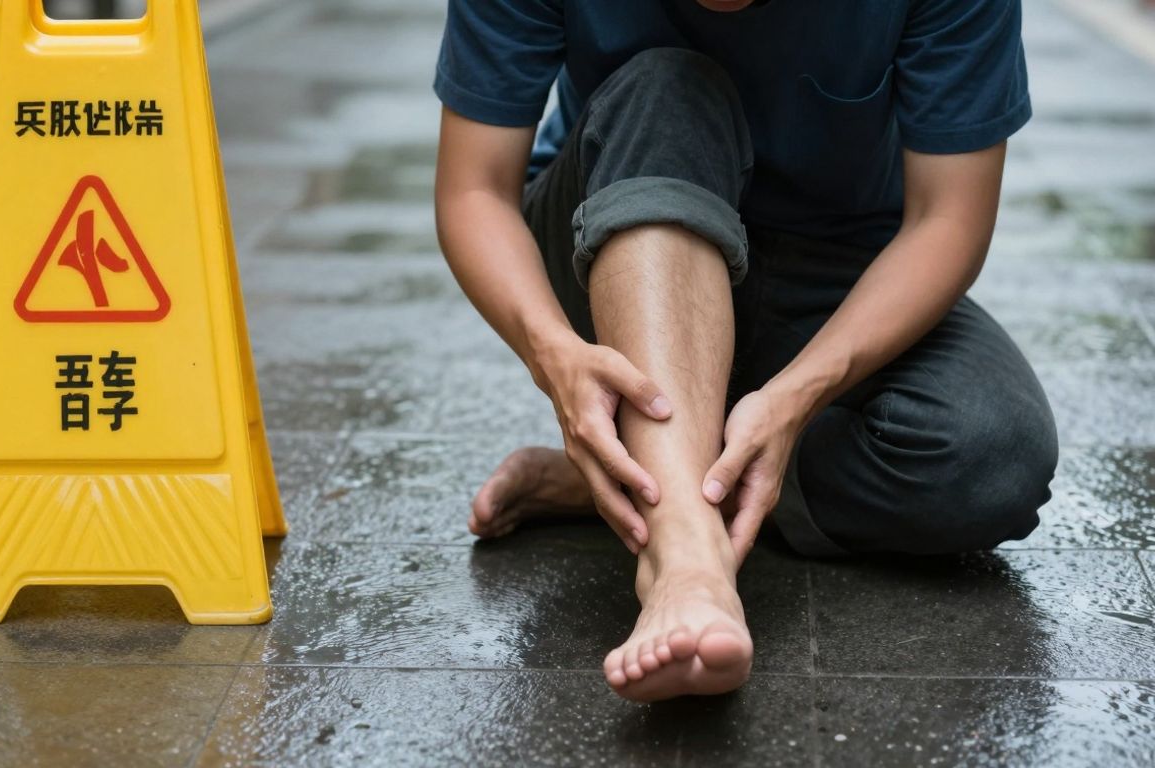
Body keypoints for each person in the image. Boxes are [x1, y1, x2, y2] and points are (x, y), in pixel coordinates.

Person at [432, 0, 1058, 702]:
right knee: (672, 90)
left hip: (833, 264)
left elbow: (948, 219)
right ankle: (683, 560)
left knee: (991, 454)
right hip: (620, 218)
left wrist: (799, 395)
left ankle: (629, 480)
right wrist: (551, 352)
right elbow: (473, 189)